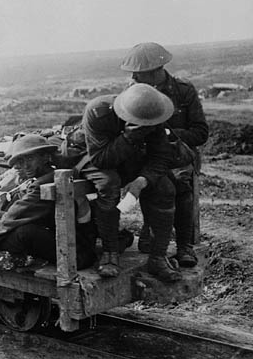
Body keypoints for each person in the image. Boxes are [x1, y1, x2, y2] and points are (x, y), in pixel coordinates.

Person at [80, 82, 181, 282]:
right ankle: (110, 253)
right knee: (109, 184)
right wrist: (128, 138)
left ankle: (158, 258)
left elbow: (160, 156)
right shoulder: (98, 112)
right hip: (94, 157)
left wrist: (142, 181)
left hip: (130, 159)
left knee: (165, 188)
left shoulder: (153, 114)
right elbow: (100, 159)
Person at [120, 42, 209, 267]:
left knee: (180, 182)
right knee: (148, 180)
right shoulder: (133, 93)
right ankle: (152, 229)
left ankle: (184, 245)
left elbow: (200, 133)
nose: (133, 78)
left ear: (155, 71)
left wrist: (168, 134)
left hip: (178, 156)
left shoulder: (183, 91)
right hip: (149, 157)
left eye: (138, 73)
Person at [0, 134, 97, 270]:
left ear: (46, 157)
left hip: (76, 254)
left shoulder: (43, 184)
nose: (25, 165)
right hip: (65, 241)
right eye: (21, 160)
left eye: (30, 158)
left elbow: (15, 215)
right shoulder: (48, 176)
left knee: (22, 232)